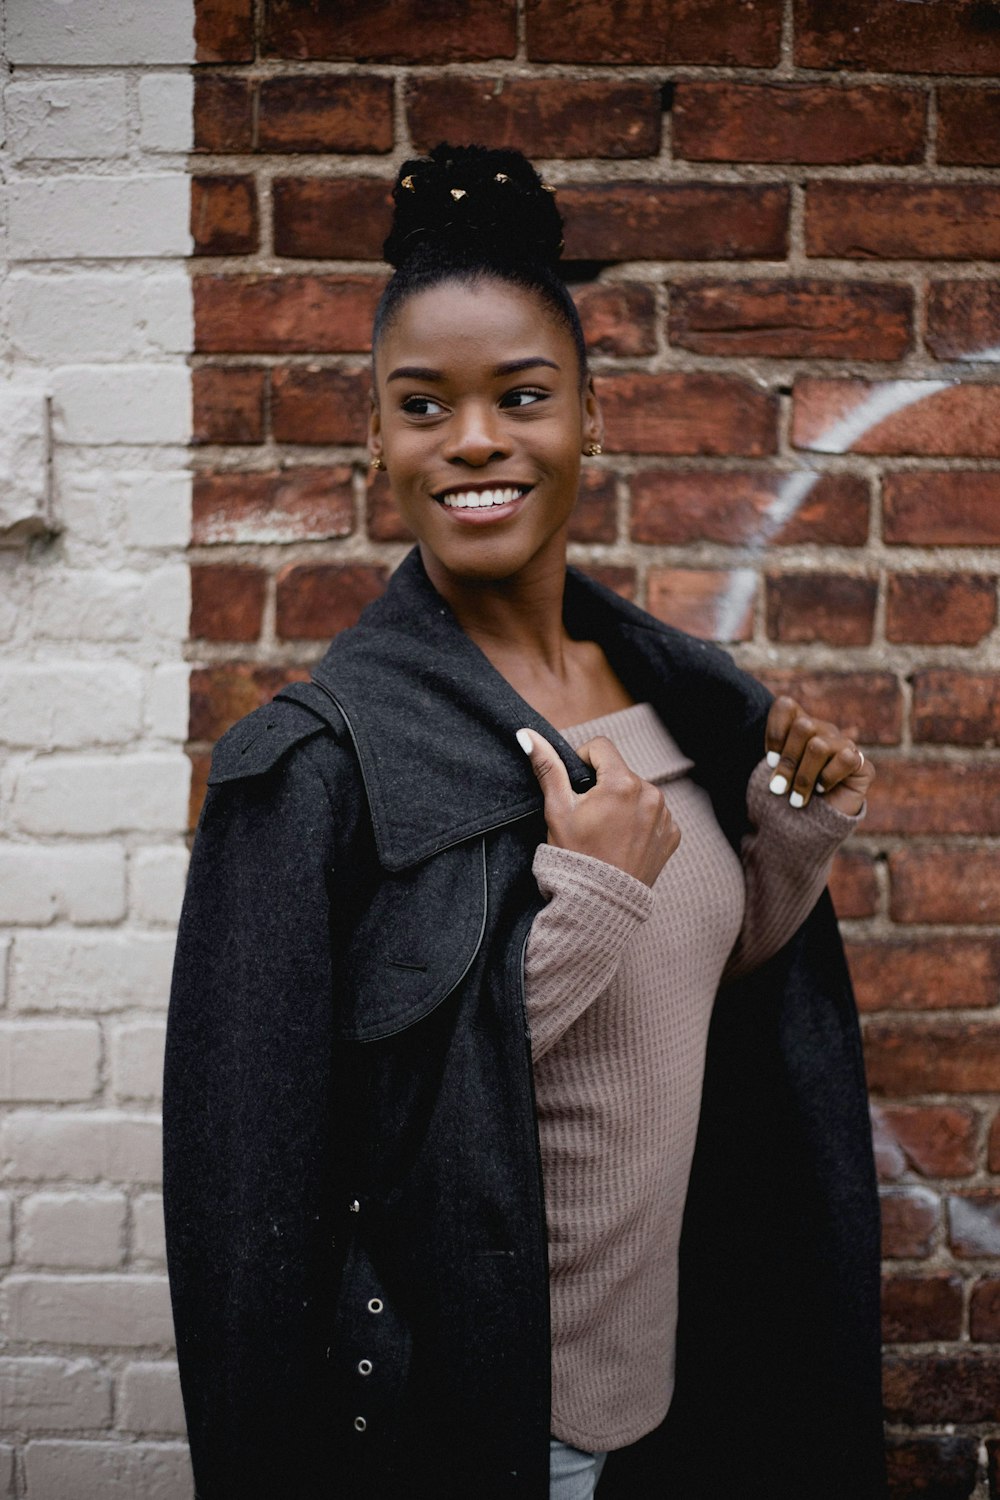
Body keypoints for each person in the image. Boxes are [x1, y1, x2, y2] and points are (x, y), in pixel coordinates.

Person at [164, 144, 887, 1500]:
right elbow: (304, 1173)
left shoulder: (674, 701)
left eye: (522, 395)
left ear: (590, 419)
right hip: (491, 1430)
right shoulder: (312, 772)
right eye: (424, 404)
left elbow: (674, 1003)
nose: (476, 438)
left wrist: (783, 853)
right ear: (375, 436)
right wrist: (590, 899)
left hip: (681, 1393)